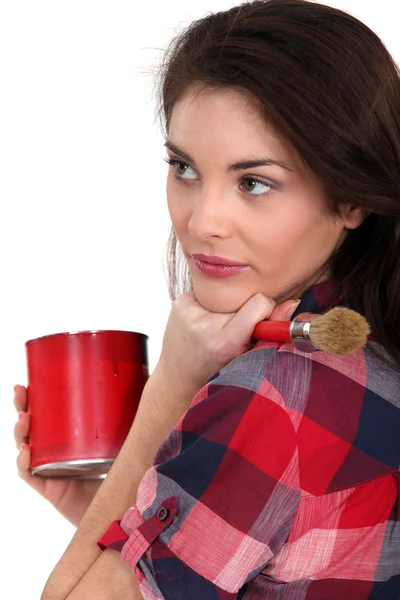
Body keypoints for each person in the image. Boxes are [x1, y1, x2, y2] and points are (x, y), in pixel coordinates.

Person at [14, 0, 400, 597]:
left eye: (254, 182)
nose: (203, 220)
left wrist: (171, 381)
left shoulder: (270, 396)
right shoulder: (376, 343)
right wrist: (115, 496)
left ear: (352, 197)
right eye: (184, 168)